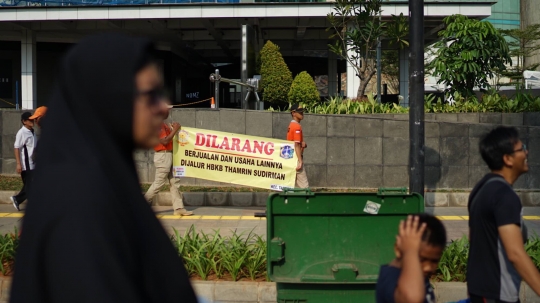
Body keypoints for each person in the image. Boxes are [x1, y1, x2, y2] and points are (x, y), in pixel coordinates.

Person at [10, 34, 197, 303]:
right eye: (150, 95)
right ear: (110, 97)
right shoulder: (79, 207)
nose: (162, 108)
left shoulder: (107, 179)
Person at [467, 126, 540, 303]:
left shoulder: (480, 188)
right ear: (508, 159)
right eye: (522, 149)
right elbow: (515, 253)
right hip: (498, 294)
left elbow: (474, 239)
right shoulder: (504, 196)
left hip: (480, 292)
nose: (526, 152)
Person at [376, 214, 446, 303]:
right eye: (420, 259)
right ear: (398, 250)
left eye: (434, 261)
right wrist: (410, 251)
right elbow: (412, 299)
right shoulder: (390, 277)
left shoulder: (418, 273)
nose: (428, 267)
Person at [144, 107, 193, 216]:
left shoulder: (162, 124)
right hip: (163, 155)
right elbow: (165, 141)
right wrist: (175, 130)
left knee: (175, 181)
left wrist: (173, 129)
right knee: (159, 182)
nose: (168, 112)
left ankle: (179, 208)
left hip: (169, 154)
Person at [10, 112, 36, 211]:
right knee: (30, 185)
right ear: (24, 121)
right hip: (26, 165)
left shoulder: (32, 131)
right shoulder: (22, 132)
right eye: (30, 120)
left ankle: (18, 199)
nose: (32, 121)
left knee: (30, 185)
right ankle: (17, 199)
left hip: (33, 163)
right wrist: (18, 164)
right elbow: (16, 147)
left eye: (33, 119)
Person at [287, 104, 309, 188]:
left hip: (291, 157)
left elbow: (295, 143)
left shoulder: (291, 125)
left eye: (302, 112)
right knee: (304, 187)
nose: (302, 114)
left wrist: (302, 144)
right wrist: (300, 161)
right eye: (300, 112)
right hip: (296, 158)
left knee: (292, 186)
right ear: (293, 113)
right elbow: (296, 145)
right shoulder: (296, 126)